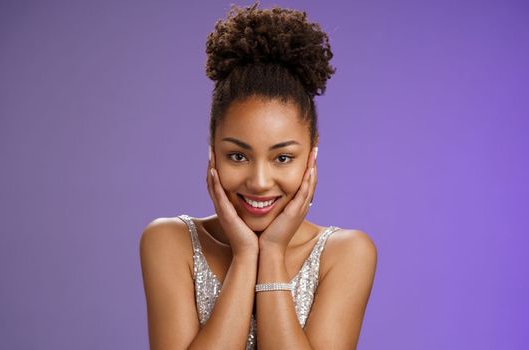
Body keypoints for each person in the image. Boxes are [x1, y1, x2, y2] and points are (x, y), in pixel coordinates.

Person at [139, 3, 377, 349]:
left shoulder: (346, 253)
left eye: (282, 157)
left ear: (312, 154)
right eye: (238, 155)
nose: (260, 181)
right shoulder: (169, 241)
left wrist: (273, 252)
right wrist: (246, 255)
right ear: (212, 152)